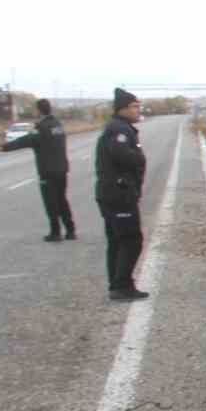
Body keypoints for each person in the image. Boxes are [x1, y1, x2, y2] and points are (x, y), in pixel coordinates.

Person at [94, 87, 148, 301]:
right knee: (130, 240)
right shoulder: (119, 130)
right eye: (134, 106)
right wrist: (139, 156)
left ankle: (117, 284)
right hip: (119, 195)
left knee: (117, 241)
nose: (138, 110)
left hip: (113, 194)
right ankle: (122, 285)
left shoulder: (120, 127)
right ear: (122, 109)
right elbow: (124, 156)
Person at [0, 98, 75, 241]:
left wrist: (5, 147)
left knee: (50, 202)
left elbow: (26, 140)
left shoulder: (41, 127)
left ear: (39, 110)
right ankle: (71, 230)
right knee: (62, 200)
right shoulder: (58, 125)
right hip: (62, 169)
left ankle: (55, 232)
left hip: (47, 170)